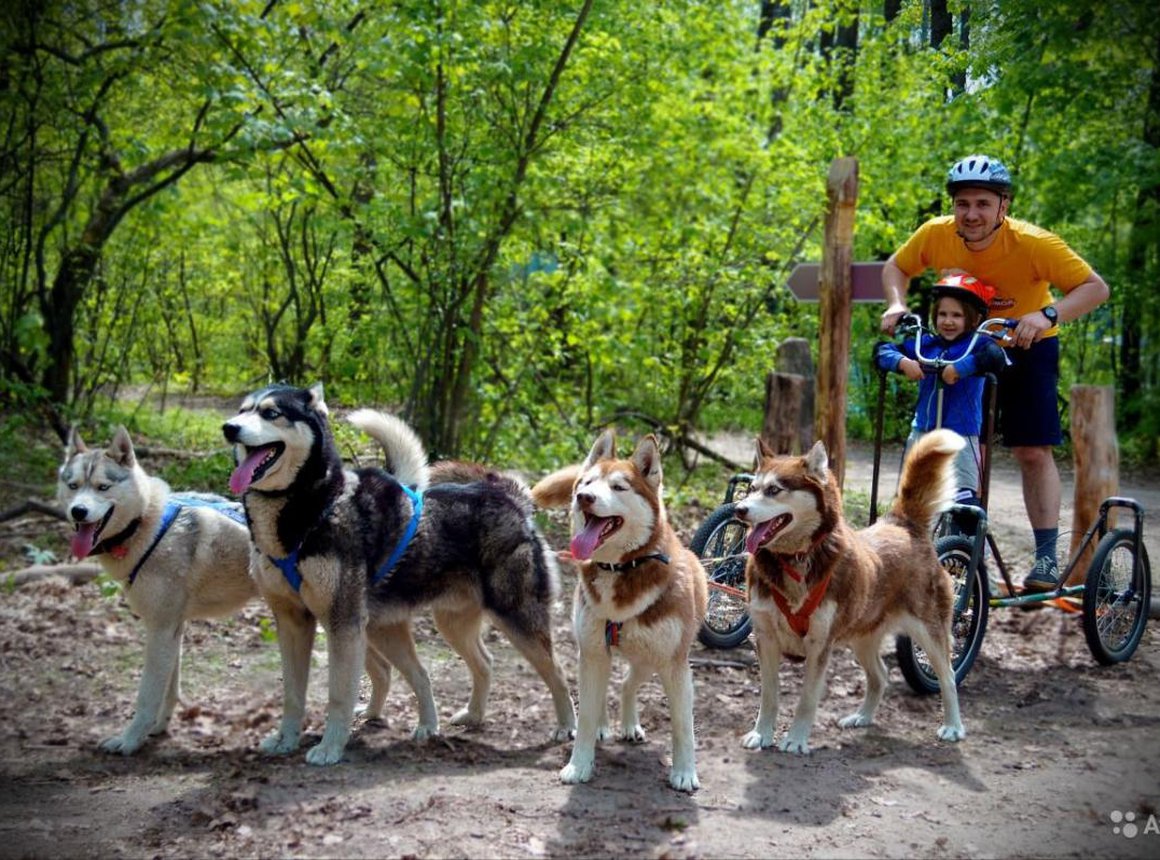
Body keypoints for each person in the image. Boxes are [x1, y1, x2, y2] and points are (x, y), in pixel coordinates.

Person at [880, 155, 1110, 593]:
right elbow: (896, 267)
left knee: (1031, 450)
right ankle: (961, 548)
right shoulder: (935, 234)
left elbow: (1095, 287)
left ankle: (1045, 561)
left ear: (1003, 206)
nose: (971, 214)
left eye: (983, 203)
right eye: (963, 203)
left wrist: (1047, 314)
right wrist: (896, 302)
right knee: (960, 441)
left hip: (1027, 348)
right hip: (964, 348)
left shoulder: (1035, 243)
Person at [874, 273, 1007, 508]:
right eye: (943, 314)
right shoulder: (925, 344)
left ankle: (964, 539)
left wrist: (960, 367)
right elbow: (882, 351)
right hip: (923, 430)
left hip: (962, 433)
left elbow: (995, 358)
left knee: (963, 497)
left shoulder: (977, 345)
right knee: (911, 495)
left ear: (974, 319)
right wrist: (902, 362)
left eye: (957, 315)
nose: (948, 321)